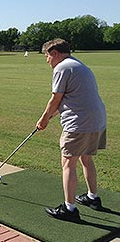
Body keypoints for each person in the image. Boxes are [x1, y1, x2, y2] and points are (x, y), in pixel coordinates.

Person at [36, 38, 106, 222]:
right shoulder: (79, 65)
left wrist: (43, 120)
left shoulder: (61, 68)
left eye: (47, 56)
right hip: (96, 120)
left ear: (55, 53)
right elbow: (74, 97)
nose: (47, 60)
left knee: (68, 164)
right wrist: (52, 115)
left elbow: (55, 99)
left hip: (79, 123)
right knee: (86, 158)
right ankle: (93, 198)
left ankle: (69, 209)